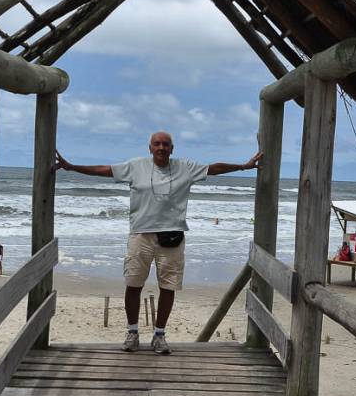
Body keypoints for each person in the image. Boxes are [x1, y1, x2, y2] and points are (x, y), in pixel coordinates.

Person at [54, 131, 262, 354]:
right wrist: (72, 166)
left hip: (171, 237)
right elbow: (104, 170)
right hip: (140, 235)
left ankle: (159, 335)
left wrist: (243, 166)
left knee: (168, 287)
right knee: (133, 285)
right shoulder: (136, 166)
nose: (161, 148)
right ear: (149, 148)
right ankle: (132, 333)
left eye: (166, 144)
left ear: (172, 149)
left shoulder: (185, 167)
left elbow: (214, 168)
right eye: (157, 144)